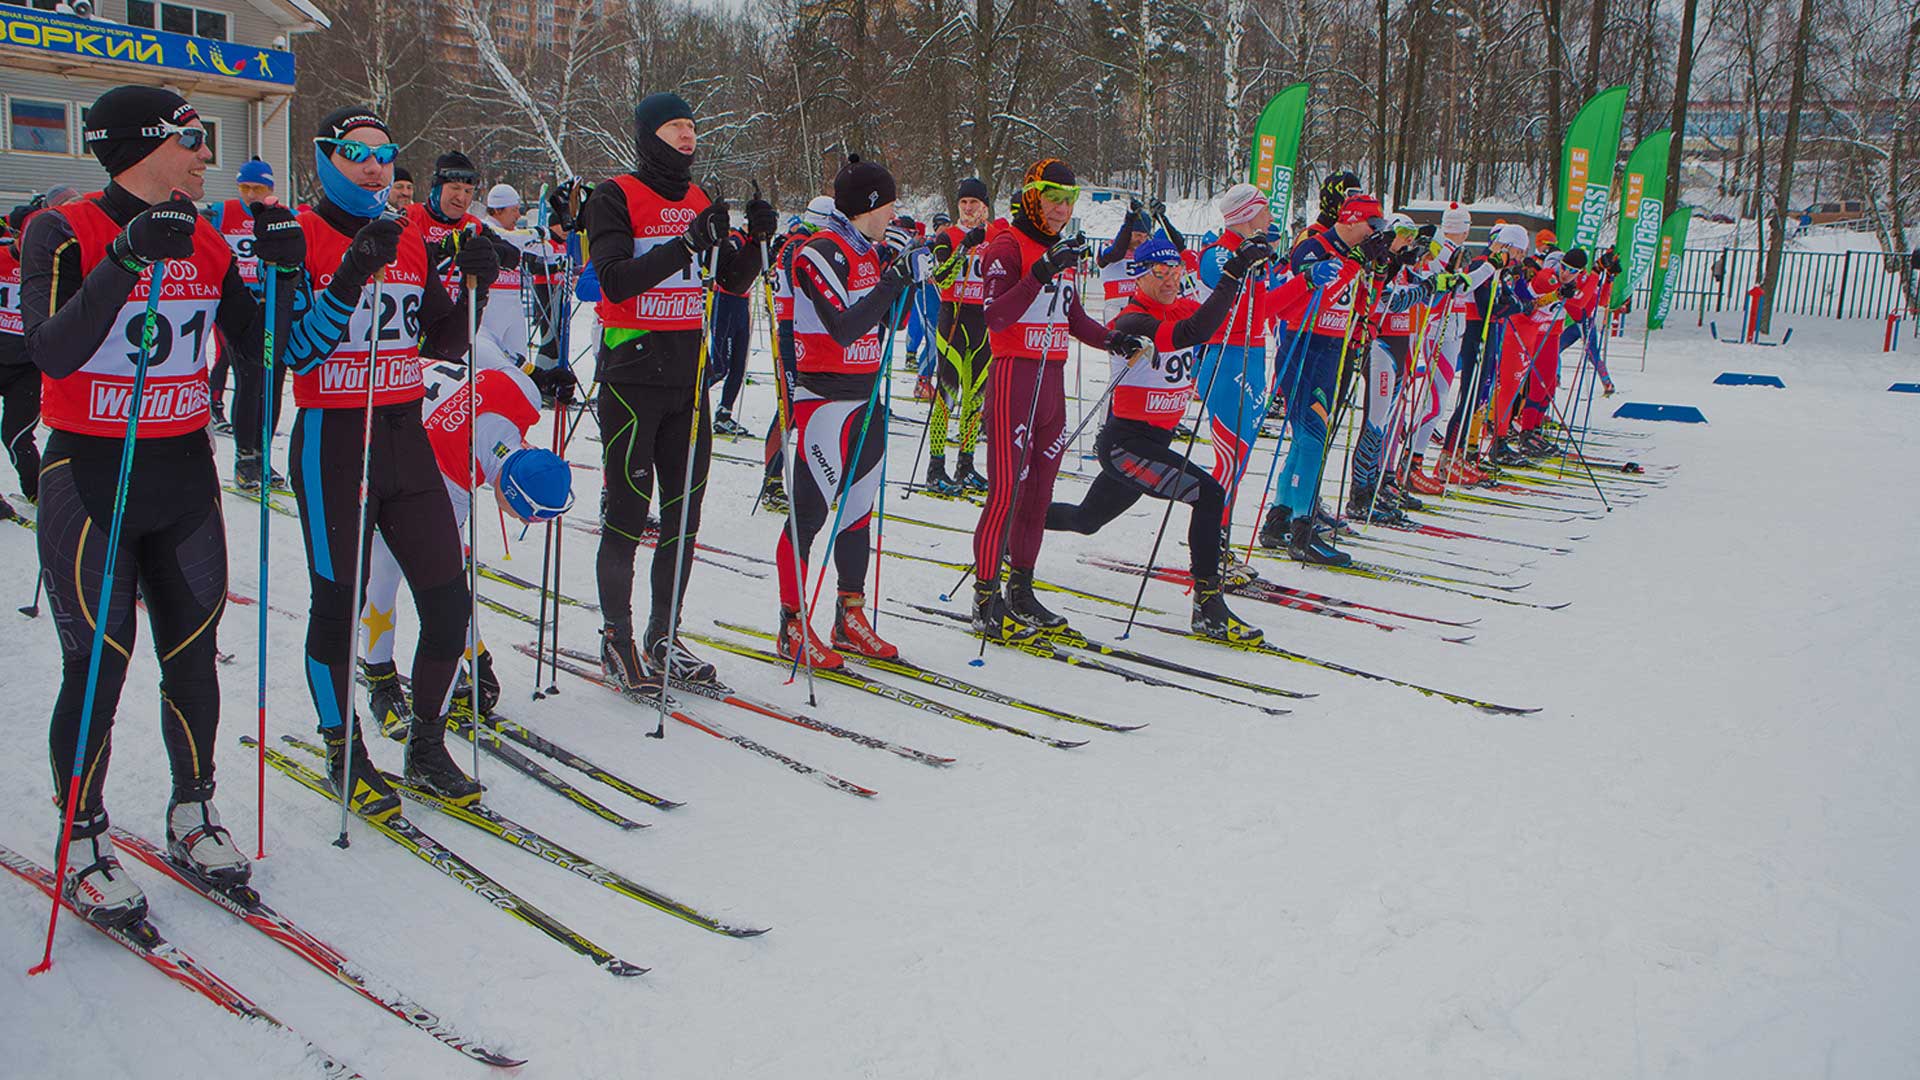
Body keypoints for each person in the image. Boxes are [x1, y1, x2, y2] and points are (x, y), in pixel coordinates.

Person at [20, 84, 302, 923]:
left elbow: (267, 351)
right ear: (144, 143)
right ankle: (82, 838)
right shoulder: (62, 228)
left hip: (181, 475)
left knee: (191, 651)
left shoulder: (209, 239)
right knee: (97, 662)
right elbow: (52, 352)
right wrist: (128, 258)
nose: (206, 155)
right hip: (90, 476)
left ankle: (192, 810)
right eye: (191, 137)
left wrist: (289, 269)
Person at [281, 105, 498, 820]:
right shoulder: (298, 235)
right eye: (355, 153)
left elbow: (442, 344)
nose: (374, 166)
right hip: (333, 441)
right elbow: (296, 352)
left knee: (447, 602)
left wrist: (477, 285)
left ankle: (427, 744)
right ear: (325, 158)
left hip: (404, 435)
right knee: (337, 607)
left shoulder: (407, 239)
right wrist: (349, 273)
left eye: (385, 153)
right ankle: (343, 749)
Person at [585, 91, 774, 691]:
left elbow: (729, 284)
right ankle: (617, 635)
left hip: (687, 379)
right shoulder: (615, 195)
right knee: (627, 514)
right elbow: (614, 282)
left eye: (693, 126)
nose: (688, 136)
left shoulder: (697, 199)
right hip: (632, 378)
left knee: (685, 514)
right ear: (648, 135)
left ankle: (665, 634)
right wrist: (686, 244)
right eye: (674, 126)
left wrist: (755, 246)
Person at [1045, 236, 1265, 643]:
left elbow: (1214, 319)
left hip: (1150, 445)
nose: (1169, 280)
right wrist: (1232, 274)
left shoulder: (1178, 303)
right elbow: (1193, 330)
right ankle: (1209, 607)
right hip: (1126, 445)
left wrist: (1246, 275)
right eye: (1158, 272)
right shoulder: (1132, 320)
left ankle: (1014, 525)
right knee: (1209, 494)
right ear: (1139, 276)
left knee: (1086, 520)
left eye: (1175, 271)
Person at [361, 356, 572, 733]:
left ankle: (431, 665)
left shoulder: (522, 394)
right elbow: (450, 583)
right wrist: (478, 656)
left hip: (401, 377)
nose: (521, 522)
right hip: (374, 430)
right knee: (385, 568)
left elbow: (483, 341)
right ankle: (379, 679)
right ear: (511, 494)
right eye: (525, 517)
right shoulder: (452, 486)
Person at [970, 157, 1134, 640]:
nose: (1062, 209)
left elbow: (1073, 315)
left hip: (1052, 382)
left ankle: (1022, 590)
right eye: (1053, 198)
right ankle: (985, 596)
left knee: (1039, 495)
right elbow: (996, 316)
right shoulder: (1005, 245)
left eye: (1069, 200)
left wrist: (1112, 339)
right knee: (1006, 492)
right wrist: (1040, 271)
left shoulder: (1057, 248)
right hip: (1014, 378)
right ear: (1030, 196)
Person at [773, 157, 921, 668]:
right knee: (809, 515)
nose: (894, 213)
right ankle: (791, 624)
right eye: (889, 203)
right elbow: (842, 327)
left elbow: (891, 326)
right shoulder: (820, 252)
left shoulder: (871, 253)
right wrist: (892, 279)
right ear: (869, 205)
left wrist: (904, 279)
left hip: (867, 398)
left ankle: (849, 614)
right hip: (825, 402)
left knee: (858, 513)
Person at [1256, 190, 1389, 566]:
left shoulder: (1351, 254)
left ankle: (1279, 518)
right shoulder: (1312, 248)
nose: (1373, 232)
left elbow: (1360, 303)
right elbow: (1307, 299)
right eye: (1370, 224)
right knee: (1313, 437)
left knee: (1306, 439)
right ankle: (1303, 528)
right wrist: (1352, 265)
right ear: (1348, 219)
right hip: (1305, 345)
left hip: (1332, 348)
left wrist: (1375, 269)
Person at [1192, 183, 1286, 573]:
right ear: (1248, 214)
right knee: (1230, 459)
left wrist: (1306, 283)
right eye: (1265, 211)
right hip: (1225, 357)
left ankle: (1219, 543)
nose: (1270, 219)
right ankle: (1211, 547)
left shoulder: (1257, 256)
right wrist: (1245, 265)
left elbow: (1266, 312)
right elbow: (1222, 293)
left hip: (1252, 355)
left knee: (1241, 457)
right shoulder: (1216, 254)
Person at [208, 156, 291, 490]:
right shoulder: (222, 212)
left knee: (271, 385)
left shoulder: (284, 215)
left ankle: (264, 455)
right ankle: (245, 459)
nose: (250, 194)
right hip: (238, 307)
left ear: (270, 188)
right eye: (245, 187)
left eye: (257, 188)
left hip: (274, 307)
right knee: (248, 380)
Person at [922, 177, 992, 495]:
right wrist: (964, 247)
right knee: (946, 396)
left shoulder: (997, 237)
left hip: (983, 323)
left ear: (985, 207)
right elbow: (942, 275)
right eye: (963, 202)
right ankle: (936, 468)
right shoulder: (946, 235)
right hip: (953, 318)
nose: (968, 208)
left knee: (975, 398)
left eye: (974, 203)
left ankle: (966, 465)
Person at [407, 151, 486, 299]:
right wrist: (440, 248)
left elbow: (509, 253)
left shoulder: (473, 225)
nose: (461, 198)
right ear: (436, 188)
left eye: (468, 191)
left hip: (456, 314)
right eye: (455, 188)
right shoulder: (410, 217)